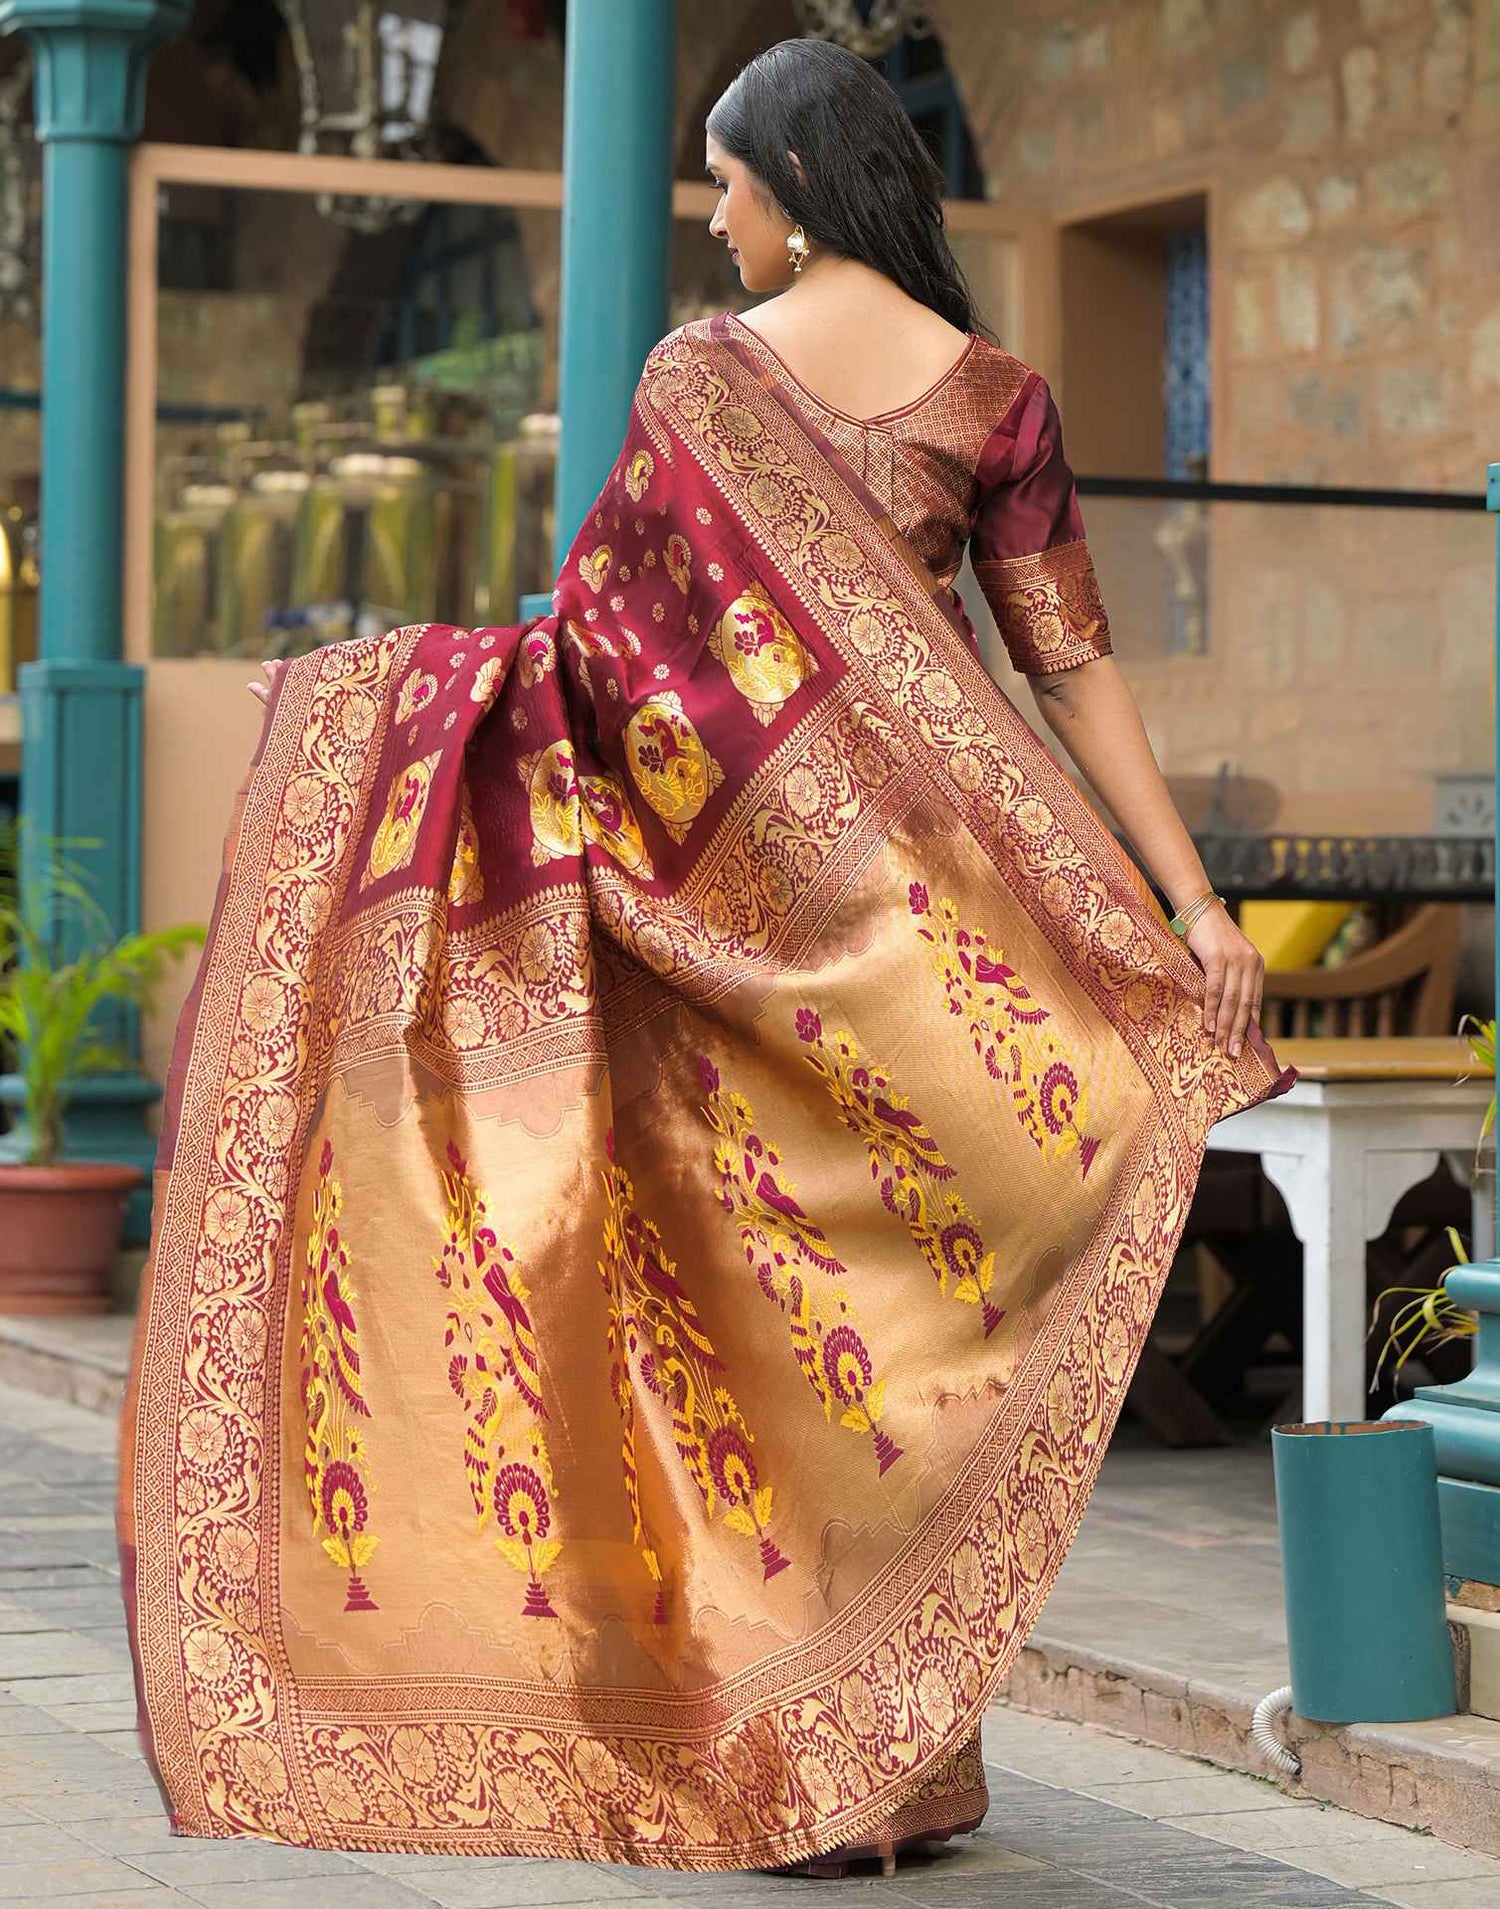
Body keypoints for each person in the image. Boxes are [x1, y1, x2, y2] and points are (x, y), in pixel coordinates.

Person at [120, 36, 1289, 1883]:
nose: (719, 219)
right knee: (894, 1332)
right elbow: (1074, 673)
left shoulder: (701, 379)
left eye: (731, 186)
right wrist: (1191, 910)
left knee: (765, 1341)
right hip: (929, 958)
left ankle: (817, 1759)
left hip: (726, 960)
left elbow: (589, 669)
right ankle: (899, 1767)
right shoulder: (1000, 397)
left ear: (801, 187)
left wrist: (393, 717)